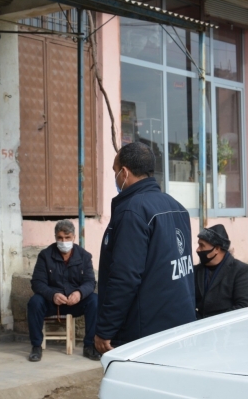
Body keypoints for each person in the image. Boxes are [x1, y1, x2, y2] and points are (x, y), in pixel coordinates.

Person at [95, 142, 196, 354]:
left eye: (115, 171)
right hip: (180, 324)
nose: (115, 177)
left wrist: (105, 329)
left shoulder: (132, 211)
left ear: (124, 172)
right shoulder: (176, 207)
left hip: (144, 333)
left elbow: (125, 277)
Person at [27, 220, 100, 362]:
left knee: (95, 301)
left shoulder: (84, 256)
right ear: (55, 237)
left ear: (74, 237)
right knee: (34, 302)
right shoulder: (45, 255)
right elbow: (37, 283)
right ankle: (36, 346)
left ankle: (89, 345)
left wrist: (79, 293)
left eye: (67, 238)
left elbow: (90, 282)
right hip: (52, 302)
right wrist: (52, 295)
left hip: (75, 302)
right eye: (60, 238)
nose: (63, 241)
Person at [194, 224, 248, 319]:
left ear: (217, 249)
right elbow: (187, 301)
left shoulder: (241, 271)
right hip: (199, 325)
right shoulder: (196, 271)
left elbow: (244, 307)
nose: (198, 250)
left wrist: (213, 322)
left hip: (228, 326)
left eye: (202, 246)